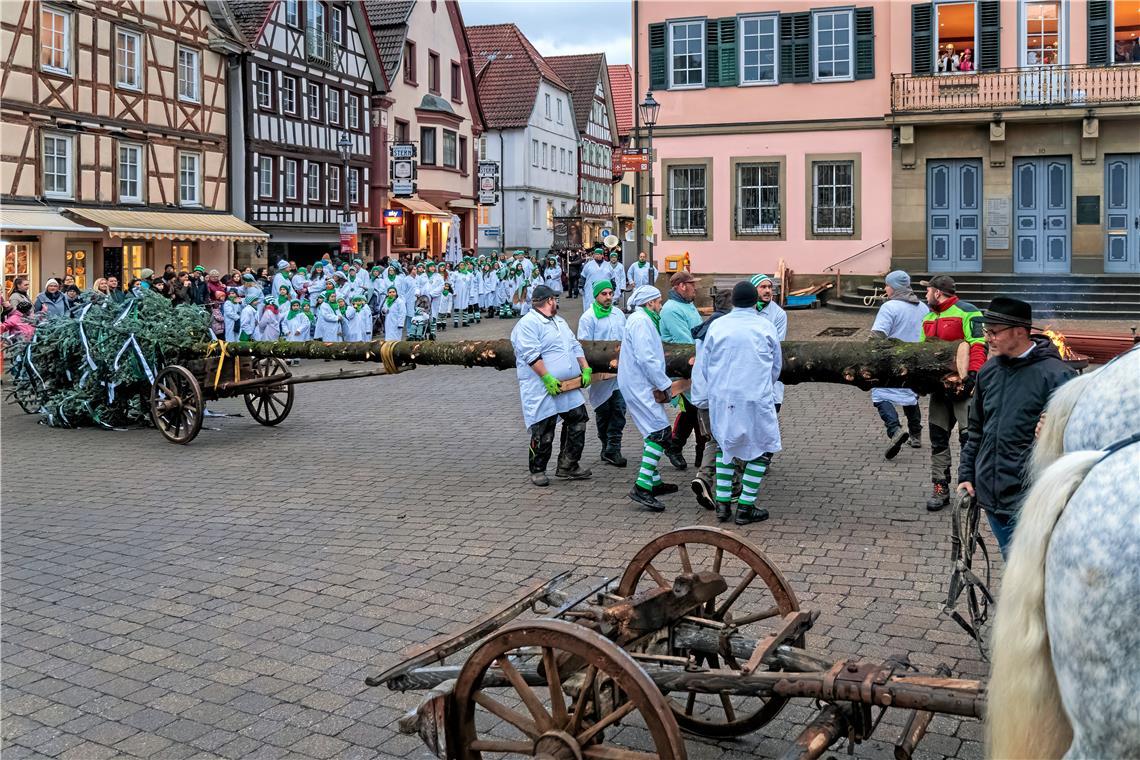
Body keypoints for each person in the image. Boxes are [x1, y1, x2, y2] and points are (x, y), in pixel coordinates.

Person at [957, 297, 1075, 558]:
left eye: (994, 332)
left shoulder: (1057, 375)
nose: (988, 338)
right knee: (1011, 562)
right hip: (991, 495)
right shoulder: (988, 371)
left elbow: (1074, 447)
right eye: (987, 332)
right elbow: (975, 429)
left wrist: (1053, 435)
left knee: (1035, 570)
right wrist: (966, 474)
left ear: (1020, 332)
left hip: (1032, 499)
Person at [691, 281, 782, 525]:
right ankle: (745, 507)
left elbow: (705, 364)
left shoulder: (718, 326)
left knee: (725, 446)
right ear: (755, 301)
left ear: (733, 302)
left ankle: (722, 505)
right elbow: (776, 367)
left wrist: (718, 387)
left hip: (722, 397)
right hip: (754, 397)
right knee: (762, 450)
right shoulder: (765, 326)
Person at [510, 284, 593, 487]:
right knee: (543, 429)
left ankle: (568, 465)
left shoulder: (559, 321)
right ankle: (538, 470)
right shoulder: (528, 324)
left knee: (578, 419)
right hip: (541, 387)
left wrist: (585, 367)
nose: (557, 302)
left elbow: (574, 345)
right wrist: (546, 376)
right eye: (555, 299)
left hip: (567, 386)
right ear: (548, 301)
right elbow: (530, 354)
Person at [920, 274, 986, 511]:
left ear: (937, 292)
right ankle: (940, 487)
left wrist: (974, 377)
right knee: (938, 439)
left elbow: (979, 344)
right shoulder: (928, 318)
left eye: (927, 291)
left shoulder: (968, 312)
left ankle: (968, 488)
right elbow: (922, 354)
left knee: (969, 440)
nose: (925, 295)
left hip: (964, 390)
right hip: (939, 391)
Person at [619, 285, 678, 512]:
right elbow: (646, 358)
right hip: (639, 383)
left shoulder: (640, 319)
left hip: (637, 382)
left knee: (651, 432)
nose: (660, 306)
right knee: (660, 431)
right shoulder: (641, 321)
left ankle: (653, 481)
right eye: (658, 301)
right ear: (650, 303)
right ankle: (642, 487)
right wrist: (665, 384)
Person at [870, 270, 928, 458]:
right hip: (914, 360)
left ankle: (895, 430)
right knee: (910, 395)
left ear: (894, 287)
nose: (885, 288)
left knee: (880, 395)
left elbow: (877, 335)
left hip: (891, 359)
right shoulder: (922, 307)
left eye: (887, 285)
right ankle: (916, 435)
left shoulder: (890, 307)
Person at [689, 288, 734, 511]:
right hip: (716, 393)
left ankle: (710, 479)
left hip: (702, 392)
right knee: (725, 439)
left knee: (715, 439)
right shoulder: (723, 328)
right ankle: (723, 486)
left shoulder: (708, 326)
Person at [576, 280, 628, 467]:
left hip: (619, 373)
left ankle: (614, 448)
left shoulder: (618, 314)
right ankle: (605, 445)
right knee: (604, 410)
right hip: (600, 374)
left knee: (619, 409)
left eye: (610, 293)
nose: (608, 297)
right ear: (596, 296)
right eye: (604, 294)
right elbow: (584, 346)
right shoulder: (588, 318)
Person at [659, 271, 704, 470]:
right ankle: (682, 447)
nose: (696, 288)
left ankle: (678, 446)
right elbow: (683, 341)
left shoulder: (687, 305)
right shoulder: (671, 309)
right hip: (682, 365)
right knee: (697, 408)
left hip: (695, 362)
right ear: (681, 286)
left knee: (694, 410)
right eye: (692, 285)